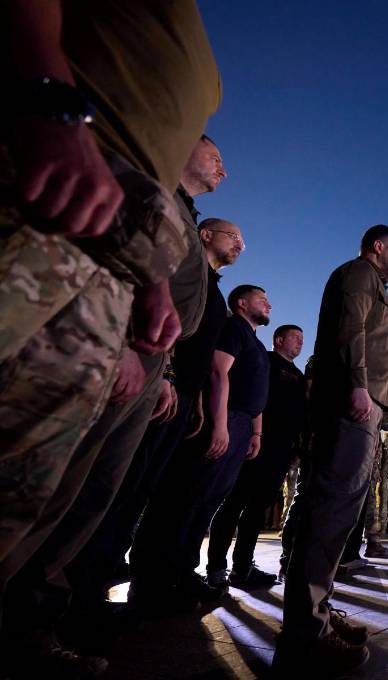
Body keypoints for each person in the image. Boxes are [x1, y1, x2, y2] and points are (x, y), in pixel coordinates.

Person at [0, 2, 218, 599]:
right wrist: (53, 104)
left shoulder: (199, 56)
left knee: (31, 488)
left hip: (114, 245)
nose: (223, 170)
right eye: (215, 157)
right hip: (51, 181)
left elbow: (155, 160)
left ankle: (24, 622)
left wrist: (151, 283)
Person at [1, 137, 229, 662]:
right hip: (124, 347)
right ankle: (30, 617)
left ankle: (48, 617)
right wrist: (127, 344)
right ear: (184, 148)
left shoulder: (182, 210)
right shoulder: (150, 185)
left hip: (152, 360)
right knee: (63, 487)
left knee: (101, 491)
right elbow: (124, 264)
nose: (223, 169)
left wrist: (164, 369)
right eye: (214, 156)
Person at [275, 224, 388, 673]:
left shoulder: (371, 281)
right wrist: (358, 384)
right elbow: (351, 329)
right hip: (353, 402)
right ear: (378, 247)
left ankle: (317, 614)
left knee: (338, 512)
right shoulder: (359, 274)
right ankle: (305, 633)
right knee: (331, 510)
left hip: (363, 403)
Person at [129, 285, 271, 611]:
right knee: (190, 497)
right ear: (241, 303)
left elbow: (257, 390)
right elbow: (218, 372)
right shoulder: (233, 328)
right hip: (227, 417)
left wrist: (256, 430)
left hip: (242, 423)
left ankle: (185, 572)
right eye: (261, 298)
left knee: (210, 500)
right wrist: (220, 425)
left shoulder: (254, 342)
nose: (268, 304)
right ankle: (159, 578)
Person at [206, 324, 306, 589]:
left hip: (280, 452)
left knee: (256, 510)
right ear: (279, 340)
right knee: (233, 503)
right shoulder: (264, 361)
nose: (300, 342)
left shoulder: (299, 376)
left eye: (302, 339)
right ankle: (216, 568)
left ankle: (242, 568)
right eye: (295, 337)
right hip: (253, 444)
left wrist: (295, 448)